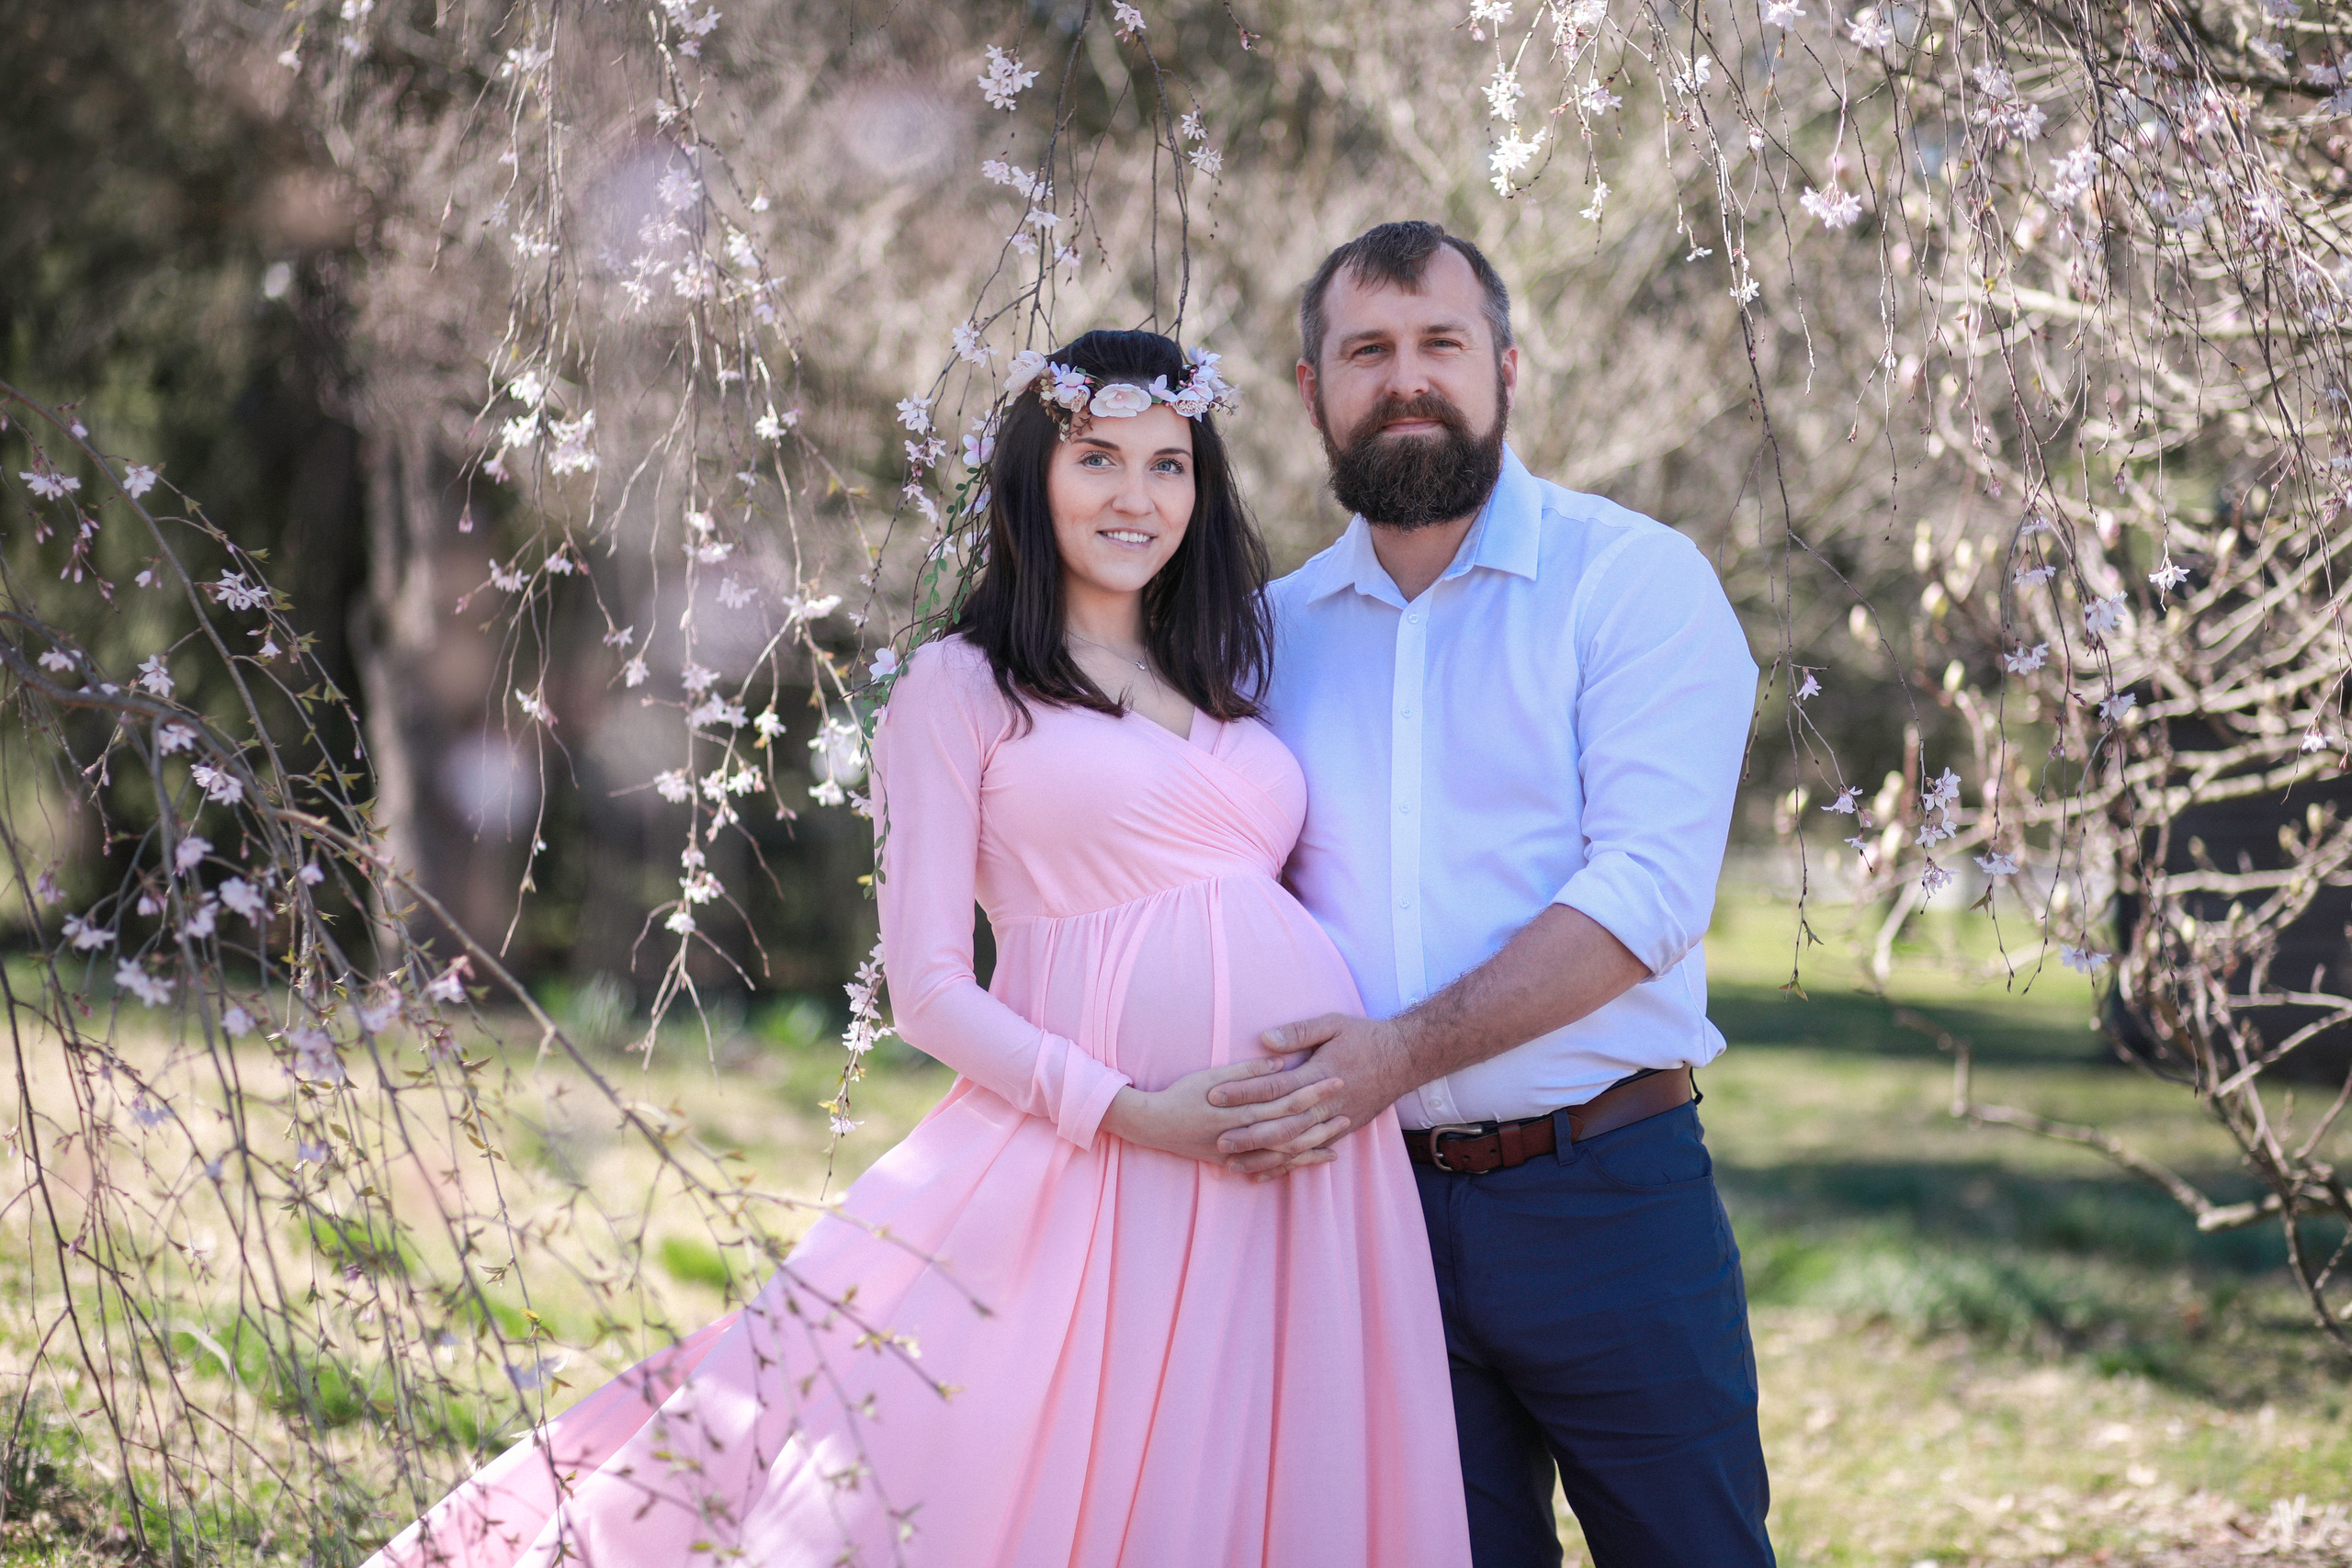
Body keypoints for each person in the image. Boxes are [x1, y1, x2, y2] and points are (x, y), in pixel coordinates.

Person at [364, 329, 1473, 1568]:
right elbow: (929, 989)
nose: (1137, 495)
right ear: (1032, 478)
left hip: (1303, 1157)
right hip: (1101, 1147)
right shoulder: (962, 686)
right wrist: (1135, 1113)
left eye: (1169, 465)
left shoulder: (1226, 678)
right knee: (960, 1464)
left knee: (1261, 1469)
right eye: (1097, 458)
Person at [1209, 222, 1773, 1566]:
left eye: (1440, 344)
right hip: (1367, 1220)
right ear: (1313, 391)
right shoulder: (1268, 637)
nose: (1406, 379)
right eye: (1368, 351)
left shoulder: (1631, 582)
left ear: (1505, 367)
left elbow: (1646, 895)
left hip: (1608, 1193)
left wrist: (1394, 1057)